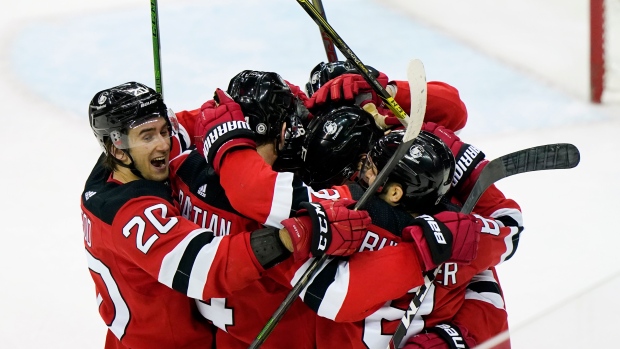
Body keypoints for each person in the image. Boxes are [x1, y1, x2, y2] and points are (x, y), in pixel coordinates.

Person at [80, 81, 371, 349]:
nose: (164, 144)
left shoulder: (128, 164)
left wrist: (293, 101)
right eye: (148, 136)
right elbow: (206, 267)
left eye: (163, 130)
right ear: (117, 149)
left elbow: (205, 119)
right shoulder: (127, 214)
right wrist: (289, 237)